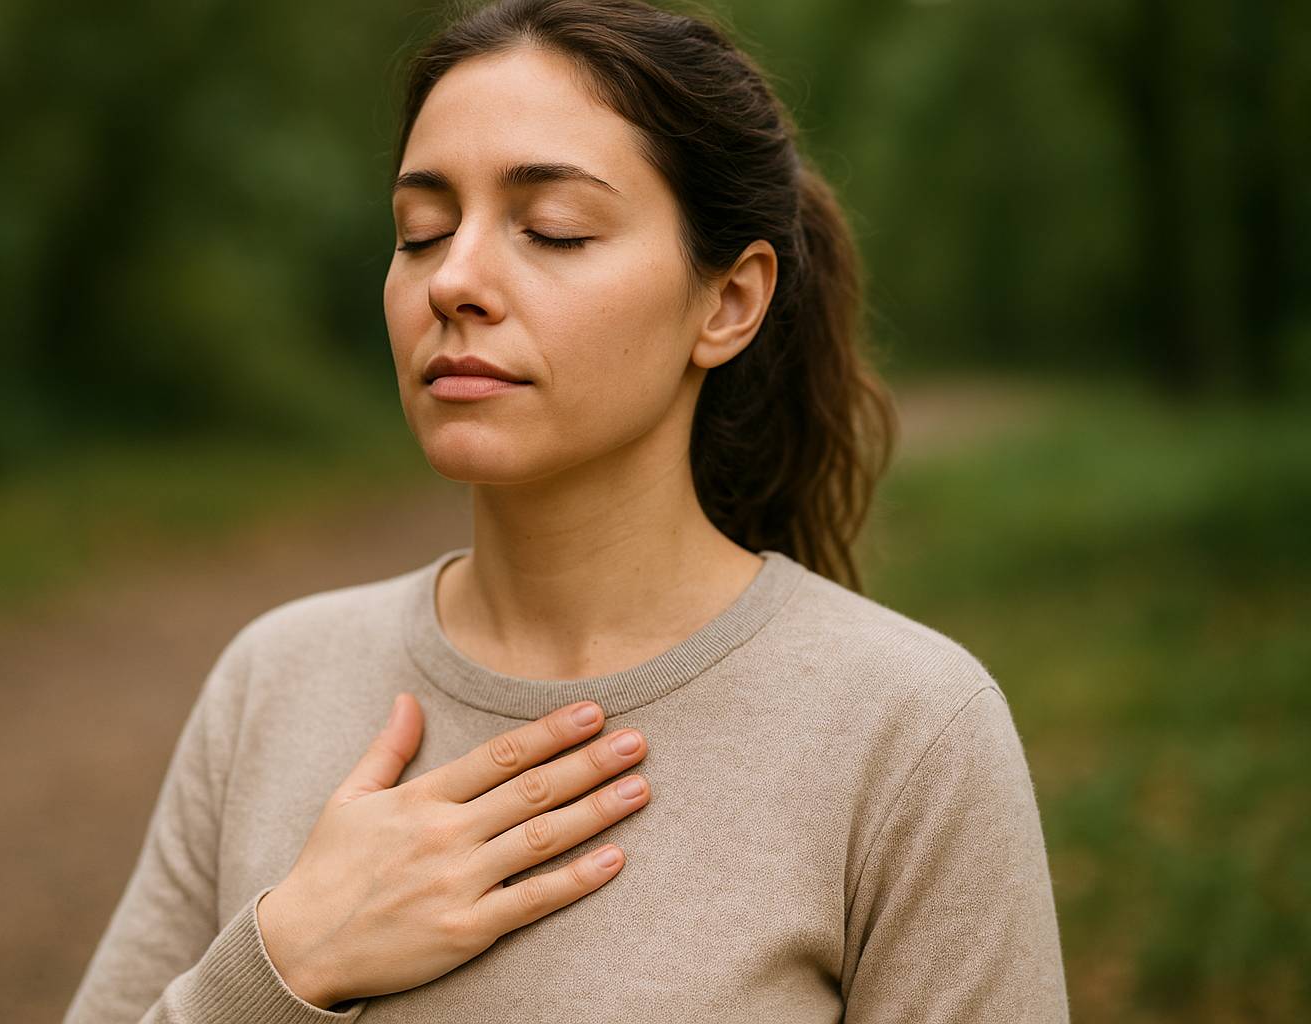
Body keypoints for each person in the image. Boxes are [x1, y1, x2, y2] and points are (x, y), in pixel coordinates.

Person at [62, 0, 1070, 1020]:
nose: (455, 279)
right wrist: (282, 964)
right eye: (421, 231)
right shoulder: (273, 682)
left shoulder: (910, 730)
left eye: (553, 229)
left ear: (727, 302)